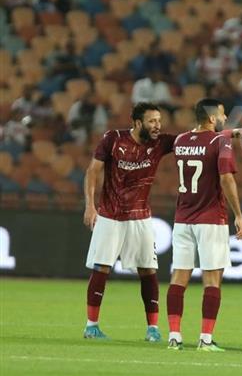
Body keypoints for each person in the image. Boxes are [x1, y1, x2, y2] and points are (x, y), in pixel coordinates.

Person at [82, 103, 174, 342]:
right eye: (152, 121)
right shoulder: (113, 139)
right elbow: (93, 171)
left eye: (159, 121)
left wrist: (228, 134)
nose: (157, 126)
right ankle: (91, 325)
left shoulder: (160, 143)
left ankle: (152, 328)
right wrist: (90, 206)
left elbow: (194, 141)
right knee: (102, 267)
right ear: (137, 123)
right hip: (110, 214)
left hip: (141, 216)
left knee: (149, 270)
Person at [166, 98, 242, 351]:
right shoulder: (220, 141)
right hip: (211, 219)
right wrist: (239, 215)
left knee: (179, 277)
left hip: (182, 219)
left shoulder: (180, 141)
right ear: (212, 118)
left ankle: (174, 336)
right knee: (212, 279)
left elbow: (201, 141)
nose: (224, 119)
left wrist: (230, 133)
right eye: (222, 115)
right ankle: (205, 339)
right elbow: (226, 179)